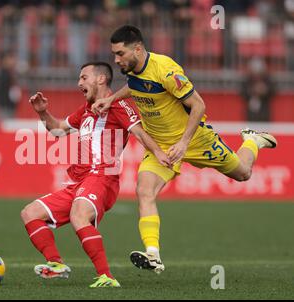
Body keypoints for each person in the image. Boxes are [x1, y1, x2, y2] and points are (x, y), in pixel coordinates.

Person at [91, 25, 277, 274]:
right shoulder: (132, 68)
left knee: (243, 173)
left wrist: (184, 143)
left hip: (195, 140)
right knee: (144, 191)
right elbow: (136, 86)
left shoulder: (166, 70)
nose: (116, 59)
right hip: (160, 147)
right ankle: (153, 254)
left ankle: (252, 140)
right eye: (114, 54)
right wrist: (112, 99)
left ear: (137, 49)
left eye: (120, 53)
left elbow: (198, 105)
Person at [20, 62, 170, 287]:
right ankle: (56, 263)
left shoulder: (118, 105)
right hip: (80, 181)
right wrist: (42, 112)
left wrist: (158, 152)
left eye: (84, 77)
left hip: (102, 177)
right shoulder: (86, 110)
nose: (79, 83)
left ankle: (106, 277)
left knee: (79, 215)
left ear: (101, 79)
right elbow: (58, 129)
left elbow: (138, 131)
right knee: (30, 213)